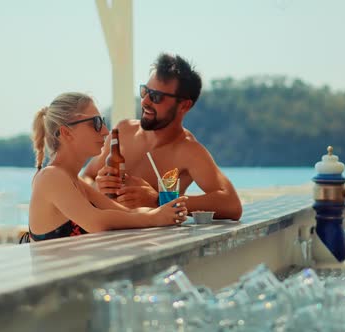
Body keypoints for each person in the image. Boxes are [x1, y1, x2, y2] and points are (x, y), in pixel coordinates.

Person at [83, 53, 242, 220]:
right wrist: (96, 187)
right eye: (145, 91)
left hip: (149, 243)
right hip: (100, 235)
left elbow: (231, 205)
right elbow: (86, 176)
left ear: (184, 105)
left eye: (156, 97)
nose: (145, 101)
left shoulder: (188, 150)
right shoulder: (123, 131)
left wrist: (159, 200)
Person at [23, 92, 188, 242]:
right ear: (66, 133)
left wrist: (165, 212)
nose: (105, 131)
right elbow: (96, 222)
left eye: (102, 121)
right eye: (95, 123)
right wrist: (154, 218)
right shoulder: (51, 177)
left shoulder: (75, 182)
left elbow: (127, 213)